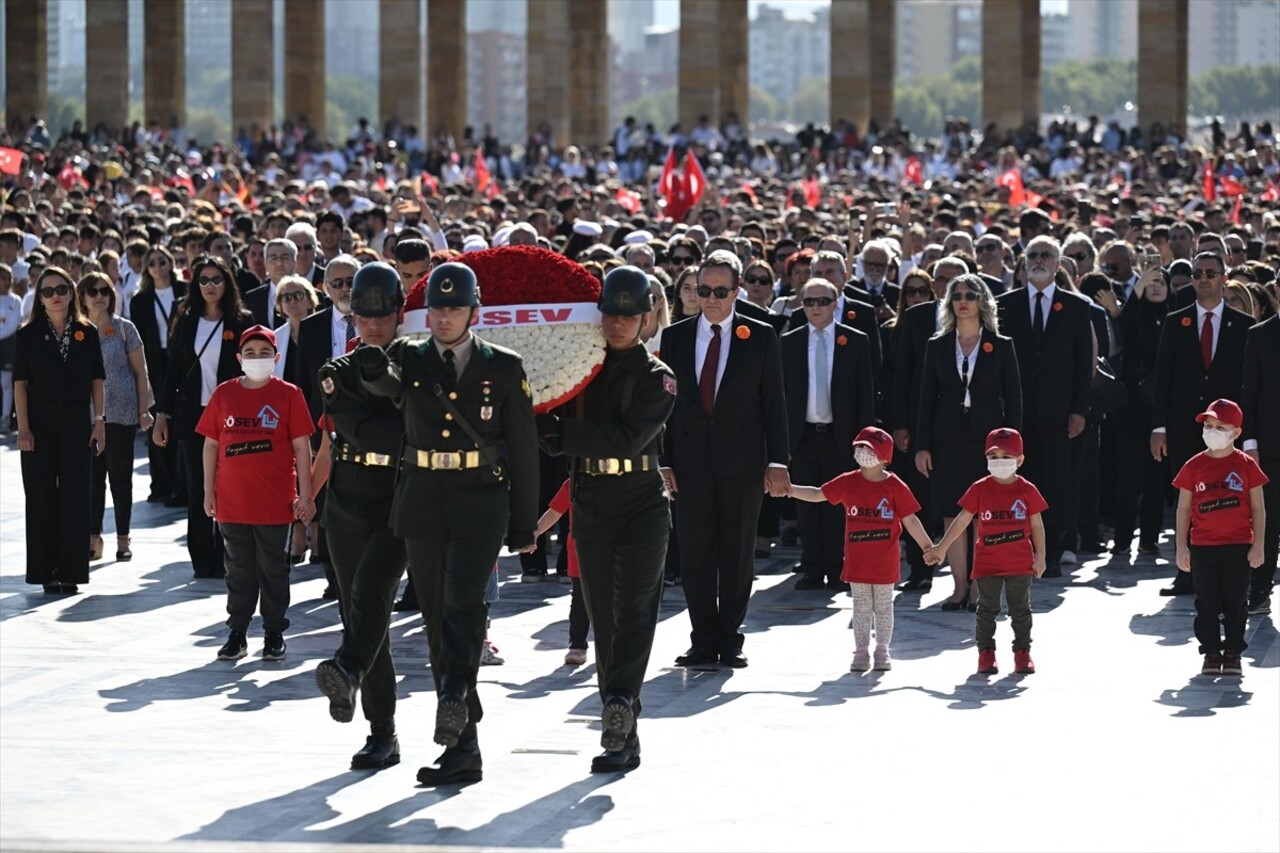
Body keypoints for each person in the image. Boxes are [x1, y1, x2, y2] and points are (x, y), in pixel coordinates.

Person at [354, 261, 538, 786]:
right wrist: (371, 368)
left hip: (481, 502)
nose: (445, 317)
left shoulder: (503, 366)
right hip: (423, 500)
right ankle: (462, 747)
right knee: (438, 620)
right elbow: (389, 384)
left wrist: (524, 523)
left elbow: (523, 450)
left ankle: (456, 696)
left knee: (463, 605)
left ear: (474, 313)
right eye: (437, 307)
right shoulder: (409, 356)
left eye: (456, 308)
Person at [533, 265, 676, 773]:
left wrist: (557, 435)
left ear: (647, 318)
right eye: (610, 314)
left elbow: (626, 439)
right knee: (605, 617)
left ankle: (618, 707)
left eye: (628, 315)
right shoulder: (578, 368)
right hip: (590, 496)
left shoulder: (658, 376)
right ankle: (621, 722)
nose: (617, 324)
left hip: (640, 499)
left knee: (636, 609)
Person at [659, 250, 790, 669]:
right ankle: (703, 637)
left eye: (719, 291)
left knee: (736, 554)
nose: (710, 299)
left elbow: (775, 403)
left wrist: (778, 462)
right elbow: (664, 403)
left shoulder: (761, 335)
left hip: (743, 461)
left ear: (736, 292)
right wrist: (663, 460)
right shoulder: (676, 337)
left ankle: (730, 637)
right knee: (695, 553)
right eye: (703, 290)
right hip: (689, 462)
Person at [310, 262, 411, 770]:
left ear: (400, 314)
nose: (373, 325)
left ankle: (350, 676)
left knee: (371, 602)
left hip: (398, 503)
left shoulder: (418, 366)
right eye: (363, 316)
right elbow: (363, 431)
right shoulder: (336, 371)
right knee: (362, 617)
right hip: (348, 502)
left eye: (382, 315)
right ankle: (382, 732)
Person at [197, 325, 314, 662]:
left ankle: (274, 631)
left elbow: (302, 448)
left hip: (276, 502)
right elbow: (210, 445)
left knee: (273, 569)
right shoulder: (224, 394)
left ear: (276, 358)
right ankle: (237, 632)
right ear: (239, 358)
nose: (257, 359)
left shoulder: (289, 394)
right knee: (239, 570)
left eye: (265, 353)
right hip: (233, 501)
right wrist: (208, 491)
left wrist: (305, 497)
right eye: (250, 353)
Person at [916, 274, 1022, 609]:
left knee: (983, 515)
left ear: (982, 302)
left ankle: (980, 587)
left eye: (970, 295)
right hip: (946, 438)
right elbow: (926, 398)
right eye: (957, 295)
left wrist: (1014, 450)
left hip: (988, 442)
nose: (963, 300)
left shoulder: (1001, 344)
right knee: (952, 514)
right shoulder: (937, 344)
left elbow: (1014, 399)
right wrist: (922, 445)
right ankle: (959, 587)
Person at [1150, 252, 1253, 596]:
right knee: (1189, 500)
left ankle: (1230, 572)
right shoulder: (1175, 321)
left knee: (1227, 500)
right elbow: (1162, 378)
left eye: (1211, 273)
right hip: (1184, 427)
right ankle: (1187, 572)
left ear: (1224, 278)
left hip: (1226, 432)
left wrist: (1247, 435)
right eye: (1197, 273)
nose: (1203, 278)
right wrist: (1159, 427)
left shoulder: (1242, 324)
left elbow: (1248, 383)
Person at [790, 427, 933, 672]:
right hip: (857, 563)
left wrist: (928, 547)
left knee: (884, 607)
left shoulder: (895, 486)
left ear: (884, 456)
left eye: (869, 448)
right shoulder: (848, 481)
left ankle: (882, 649)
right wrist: (790, 489)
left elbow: (910, 519)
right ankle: (861, 650)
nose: (863, 452)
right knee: (861, 607)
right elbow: (818, 494)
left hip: (885, 563)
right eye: (860, 447)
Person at [996, 236, 1093, 578]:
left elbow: (1085, 365)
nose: (1039, 260)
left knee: (1056, 484)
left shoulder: (1077, 306)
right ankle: (1020, 550)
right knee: (1019, 481)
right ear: (1023, 263)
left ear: (1058, 263)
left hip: (1059, 413)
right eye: (1033, 255)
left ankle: (1050, 552)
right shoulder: (1004, 305)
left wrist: (1079, 409)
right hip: (1016, 415)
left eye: (1046, 255)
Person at [153, 256, 255, 579]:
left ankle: (230, 556)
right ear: (195, 286)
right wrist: (161, 414)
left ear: (227, 283)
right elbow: (173, 371)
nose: (211, 286)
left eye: (217, 280)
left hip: (232, 416)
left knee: (229, 488)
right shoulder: (185, 319)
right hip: (193, 416)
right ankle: (203, 559)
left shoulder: (241, 320)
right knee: (199, 488)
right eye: (204, 281)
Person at [926, 428, 1048, 675]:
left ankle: (1022, 652)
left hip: (1019, 563)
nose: (1000, 462)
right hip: (987, 564)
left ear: (1020, 460)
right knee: (986, 611)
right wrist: (941, 547)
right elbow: (961, 521)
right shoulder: (979, 488)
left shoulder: (1027, 490)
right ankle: (986, 653)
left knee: (1020, 610)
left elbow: (1036, 524)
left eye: (1006, 456)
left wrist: (1041, 556)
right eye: (994, 456)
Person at [14, 267, 106, 594]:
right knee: (40, 498)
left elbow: (97, 379)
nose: (56, 295)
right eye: (48, 290)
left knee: (75, 497)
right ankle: (44, 572)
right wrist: (23, 428)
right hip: (38, 423)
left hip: (77, 422)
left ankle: (71, 571)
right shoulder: (27, 335)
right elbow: (20, 385)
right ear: (39, 297)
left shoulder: (87, 332)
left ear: (71, 293)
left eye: (62, 289)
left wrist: (100, 421)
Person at [780, 277, 875, 591]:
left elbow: (865, 393)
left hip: (840, 436)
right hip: (803, 436)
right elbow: (781, 395)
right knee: (806, 506)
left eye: (823, 301)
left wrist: (863, 441)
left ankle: (837, 569)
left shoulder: (856, 340)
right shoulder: (790, 342)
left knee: (839, 507)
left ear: (836, 303)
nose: (816, 307)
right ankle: (811, 567)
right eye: (809, 301)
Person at [1172, 400, 1268, 677]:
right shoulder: (1193, 466)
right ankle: (1211, 651)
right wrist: (1181, 547)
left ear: (1236, 433)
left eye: (1219, 426)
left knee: (1236, 602)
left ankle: (1233, 651)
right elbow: (1183, 508)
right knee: (1207, 603)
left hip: (1238, 547)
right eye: (1208, 425)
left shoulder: (1247, 465)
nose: (1212, 431)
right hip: (1203, 548)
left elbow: (1259, 508)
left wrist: (1258, 544)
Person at [79, 271, 153, 562]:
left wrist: (144, 409)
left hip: (120, 414)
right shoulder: (76, 330)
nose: (100, 296)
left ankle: (123, 539)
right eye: (93, 291)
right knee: (92, 481)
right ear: (82, 297)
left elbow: (140, 371)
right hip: (85, 416)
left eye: (105, 291)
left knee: (120, 479)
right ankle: (92, 538)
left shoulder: (124, 328)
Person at [129, 245, 185, 506]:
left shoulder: (184, 291)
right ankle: (160, 483)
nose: (158, 267)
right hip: (154, 363)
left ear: (170, 263)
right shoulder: (140, 299)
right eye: (152, 263)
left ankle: (179, 483)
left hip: (180, 361)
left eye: (162, 261)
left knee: (180, 422)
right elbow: (138, 337)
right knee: (156, 421)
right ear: (146, 269)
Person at [527, 478, 589, 665]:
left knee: (612, 603)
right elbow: (554, 512)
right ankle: (577, 645)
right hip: (579, 553)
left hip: (611, 553)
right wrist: (535, 533)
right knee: (580, 602)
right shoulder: (572, 484)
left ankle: (612, 645)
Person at [1241, 314, 1279, 615]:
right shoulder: (1260, 335)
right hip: (1269, 445)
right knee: (1268, 519)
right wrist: (1250, 443)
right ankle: (1260, 589)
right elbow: (1250, 392)